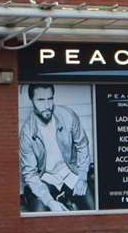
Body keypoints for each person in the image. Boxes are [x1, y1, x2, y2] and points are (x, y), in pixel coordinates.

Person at [19, 84, 94, 212]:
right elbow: (30, 174)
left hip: (71, 172)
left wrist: (82, 177)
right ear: (32, 100)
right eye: (41, 100)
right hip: (45, 178)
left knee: (93, 206)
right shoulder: (27, 132)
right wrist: (49, 201)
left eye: (50, 99)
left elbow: (82, 146)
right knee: (39, 215)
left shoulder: (68, 116)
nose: (47, 105)